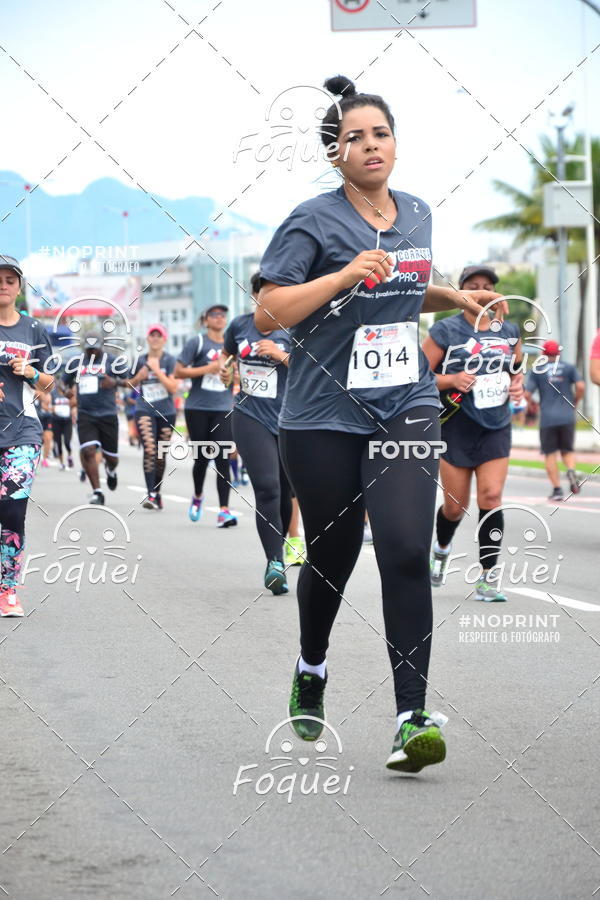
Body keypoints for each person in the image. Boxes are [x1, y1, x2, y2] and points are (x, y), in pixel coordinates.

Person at [255, 76, 506, 772]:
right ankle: (312, 664)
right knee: (333, 556)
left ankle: (409, 718)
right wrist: (339, 277)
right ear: (334, 153)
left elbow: (400, 287)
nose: (370, 145)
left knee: (402, 548)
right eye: (354, 137)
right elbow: (268, 313)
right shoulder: (311, 220)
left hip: (405, 403)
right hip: (322, 415)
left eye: (380, 134)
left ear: (395, 144)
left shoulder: (418, 213)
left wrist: (452, 295)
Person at [422, 265, 523, 603]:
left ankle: (487, 577)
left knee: (491, 497)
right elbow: (418, 375)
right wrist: (451, 380)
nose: (482, 292)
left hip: (495, 426)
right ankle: (441, 548)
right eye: (473, 286)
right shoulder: (445, 330)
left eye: (488, 286)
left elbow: (516, 371)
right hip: (455, 426)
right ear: (461, 292)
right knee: (455, 507)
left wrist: (517, 385)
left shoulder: (508, 331)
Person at [221, 272, 292, 594]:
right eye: (263, 292)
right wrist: (225, 372)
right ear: (255, 296)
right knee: (267, 488)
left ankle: (282, 546)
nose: (269, 298)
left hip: (291, 419)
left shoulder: (295, 326)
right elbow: (227, 358)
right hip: (250, 415)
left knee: (287, 493)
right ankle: (274, 562)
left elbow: (315, 368)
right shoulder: (239, 326)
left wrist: (281, 355)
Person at [0, 255, 54, 617]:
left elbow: (50, 384)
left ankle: (8, 589)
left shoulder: (33, 329)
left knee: (12, 511)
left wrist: (31, 373)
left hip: (22, 432)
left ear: (19, 287)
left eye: (10, 280)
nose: (3, 285)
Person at [175, 305, 237, 528]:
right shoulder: (197, 342)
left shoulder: (232, 345)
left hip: (223, 408)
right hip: (198, 408)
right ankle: (198, 496)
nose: (219, 318)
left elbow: (238, 376)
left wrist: (231, 374)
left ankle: (224, 510)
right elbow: (178, 371)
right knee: (201, 458)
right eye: (214, 315)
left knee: (223, 458)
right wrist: (208, 369)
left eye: (222, 315)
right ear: (205, 319)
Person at [63, 331, 126, 505]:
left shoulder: (112, 361)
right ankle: (97, 492)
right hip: (85, 414)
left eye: (95, 349)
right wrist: (65, 390)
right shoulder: (76, 362)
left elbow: (130, 381)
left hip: (108, 414)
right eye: (89, 349)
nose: (92, 352)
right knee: (88, 451)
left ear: (101, 347)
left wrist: (115, 383)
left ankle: (111, 470)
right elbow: (62, 381)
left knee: (112, 458)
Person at [524, 339, 584, 501]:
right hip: (567, 417)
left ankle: (557, 490)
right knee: (567, 450)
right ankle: (571, 471)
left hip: (548, 418)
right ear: (558, 353)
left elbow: (527, 394)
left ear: (543, 353)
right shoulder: (569, 368)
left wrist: (532, 404)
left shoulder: (537, 370)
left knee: (550, 453)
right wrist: (575, 401)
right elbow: (580, 386)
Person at [129, 324, 179, 509]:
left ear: (164, 339)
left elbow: (173, 388)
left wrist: (157, 370)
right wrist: (138, 377)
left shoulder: (171, 360)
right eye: (152, 335)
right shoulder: (139, 360)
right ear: (148, 339)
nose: (156, 338)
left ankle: (157, 493)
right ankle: (150, 494)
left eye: (159, 335)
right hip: (144, 409)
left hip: (166, 412)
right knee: (150, 449)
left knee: (160, 455)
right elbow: (128, 384)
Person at [51, 385, 74, 469]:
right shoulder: (53, 393)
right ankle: (61, 463)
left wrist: (73, 410)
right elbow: (49, 405)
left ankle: (69, 455)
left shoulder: (68, 392)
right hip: (56, 420)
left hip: (67, 421)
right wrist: (53, 408)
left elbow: (74, 403)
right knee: (58, 442)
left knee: (67, 441)